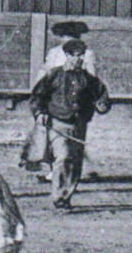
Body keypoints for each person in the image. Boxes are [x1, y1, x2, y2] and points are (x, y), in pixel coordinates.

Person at [28, 38, 111, 209]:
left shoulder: (88, 79)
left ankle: (66, 196)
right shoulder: (54, 75)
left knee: (75, 162)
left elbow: (102, 94)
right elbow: (38, 96)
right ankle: (59, 196)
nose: (79, 59)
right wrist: (39, 112)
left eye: (82, 56)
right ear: (67, 55)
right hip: (58, 123)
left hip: (79, 124)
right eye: (76, 55)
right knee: (63, 157)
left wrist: (102, 105)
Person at [21, 20, 97, 174]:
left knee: (75, 137)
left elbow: (91, 78)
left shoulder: (86, 54)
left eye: (71, 36)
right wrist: (39, 93)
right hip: (55, 99)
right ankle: (54, 170)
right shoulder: (54, 52)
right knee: (52, 136)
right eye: (65, 36)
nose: (67, 39)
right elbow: (44, 73)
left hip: (76, 101)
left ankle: (73, 172)